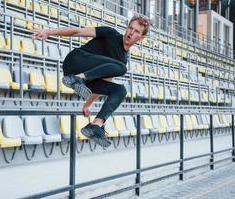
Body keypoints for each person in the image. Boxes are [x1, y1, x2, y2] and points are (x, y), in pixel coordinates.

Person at [33, 15, 150, 147]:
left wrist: (87, 105)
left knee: (120, 90)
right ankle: (78, 78)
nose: (131, 33)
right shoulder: (110, 33)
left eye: (136, 32)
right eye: (130, 28)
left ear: (141, 38)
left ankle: (96, 125)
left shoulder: (122, 59)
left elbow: (104, 83)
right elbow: (78, 31)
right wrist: (48, 32)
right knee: (122, 68)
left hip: (85, 79)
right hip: (75, 61)